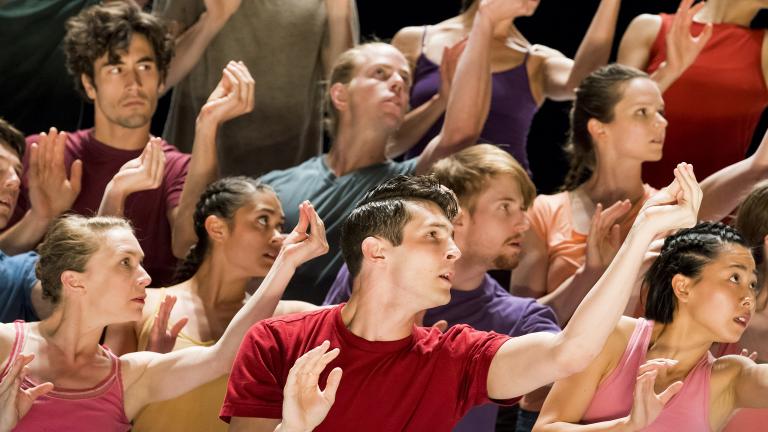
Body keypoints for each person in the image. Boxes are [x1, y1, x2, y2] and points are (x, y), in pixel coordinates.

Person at [220, 163, 703, 431]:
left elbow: (570, 352)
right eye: (433, 235)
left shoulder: (456, 357)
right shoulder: (277, 343)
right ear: (377, 251)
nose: (453, 250)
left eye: (452, 236)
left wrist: (641, 234)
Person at [250, 0, 521, 304]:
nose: (397, 84)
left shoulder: (403, 186)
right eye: (380, 73)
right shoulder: (276, 184)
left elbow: (461, 133)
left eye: (405, 80)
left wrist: (484, 21)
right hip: (269, 339)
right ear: (340, 94)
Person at [0, 195, 329, 430]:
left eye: (141, 262)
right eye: (125, 262)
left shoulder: (133, 375)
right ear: (74, 281)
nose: (144, 277)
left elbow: (223, 356)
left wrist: (285, 264)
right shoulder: (5, 345)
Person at [6, 3, 251, 286]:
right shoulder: (45, 154)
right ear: (89, 83)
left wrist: (207, 127)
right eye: (115, 68)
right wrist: (39, 218)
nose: (133, 82)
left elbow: (189, 245)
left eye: (144, 66)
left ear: (161, 79)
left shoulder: (179, 168)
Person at [323, 144, 560, 431]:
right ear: (456, 217)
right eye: (505, 207)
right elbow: (317, 365)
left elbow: (574, 360)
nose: (524, 223)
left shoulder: (523, 319)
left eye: (524, 210)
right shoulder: (373, 270)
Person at [512, 63, 768, 325]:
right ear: (599, 128)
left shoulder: (669, 210)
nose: (662, 122)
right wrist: (591, 271)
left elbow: (758, 166)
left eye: (660, 111)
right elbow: (518, 322)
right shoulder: (544, 210)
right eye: (642, 112)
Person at [104, 177, 316, 432]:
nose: (278, 238)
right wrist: (149, 368)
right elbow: (104, 410)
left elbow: (358, 317)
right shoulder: (142, 303)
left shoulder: (286, 318)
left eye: (279, 225)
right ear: (216, 228)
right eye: (263, 221)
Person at [532, 219, 768, 431]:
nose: (749, 298)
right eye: (735, 278)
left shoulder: (732, 376)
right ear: (683, 287)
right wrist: (628, 426)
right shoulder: (613, 338)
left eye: (752, 284)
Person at [386, 0, 621, 175]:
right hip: (425, 192)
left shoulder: (536, 60)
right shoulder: (415, 40)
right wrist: (440, 101)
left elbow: (585, 83)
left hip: (501, 204)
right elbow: (388, 142)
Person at [154, 0, 358, 175]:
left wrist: (340, 15)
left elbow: (344, 91)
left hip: (287, 179)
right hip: (192, 171)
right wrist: (212, 20)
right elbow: (156, 80)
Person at [618, 0, 768, 187]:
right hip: (630, 202)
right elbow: (609, 120)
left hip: (713, 208)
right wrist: (667, 71)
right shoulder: (650, 28)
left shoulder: (763, 46)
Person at [0, 117, 80, 323]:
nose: (15, 182)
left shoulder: (19, 271)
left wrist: (42, 216)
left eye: (17, 172)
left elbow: (78, 304)